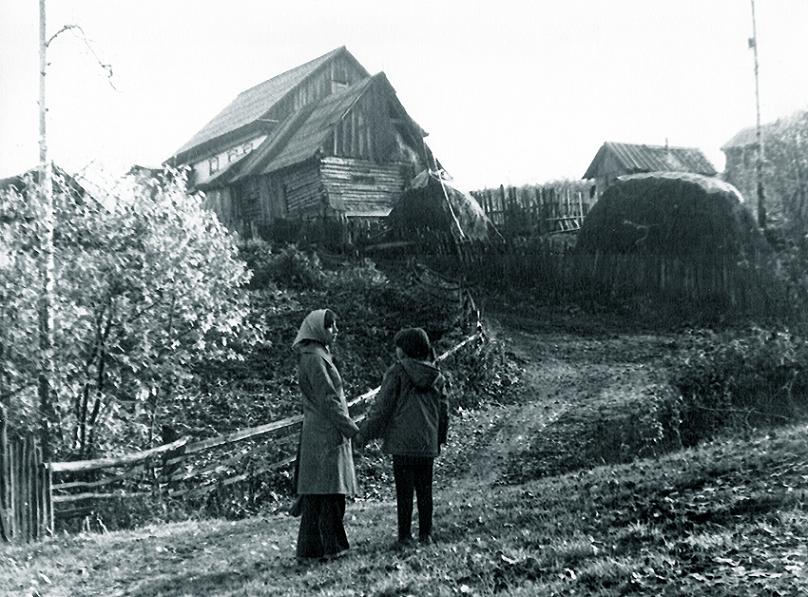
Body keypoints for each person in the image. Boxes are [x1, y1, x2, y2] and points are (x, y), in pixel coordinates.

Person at [356, 327, 448, 547]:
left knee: (404, 492)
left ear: (405, 350)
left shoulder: (397, 373)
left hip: (402, 443)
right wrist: (439, 438)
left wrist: (364, 435)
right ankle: (426, 534)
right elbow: (444, 412)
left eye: (398, 346)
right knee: (426, 491)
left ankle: (405, 536)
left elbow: (382, 408)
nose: (395, 350)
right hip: (427, 442)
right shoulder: (437, 376)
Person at [292, 308, 359, 562]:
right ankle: (332, 547)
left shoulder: (315, 355)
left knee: (318, 495)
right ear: (319, 329)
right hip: (325, 433)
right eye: (332, 327)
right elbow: (330, 400)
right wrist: (350, 428)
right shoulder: (315, 359)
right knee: (330, 494)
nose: (336, 331)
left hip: (321, 431)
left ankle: (312, 551)